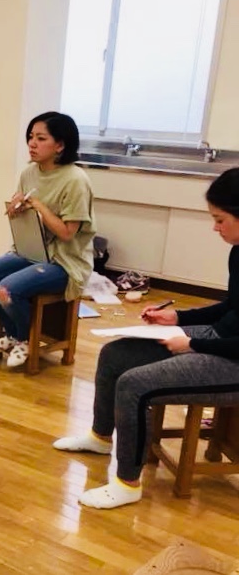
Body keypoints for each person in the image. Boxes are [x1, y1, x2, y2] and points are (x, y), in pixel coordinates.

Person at [54, 167, 239, 509]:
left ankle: (127, 483)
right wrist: (178, 318)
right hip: (219, 339)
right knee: (115, 355)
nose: (215, 228)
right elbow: (232, 308)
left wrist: (192, 344)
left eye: (220, 220)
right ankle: (100, 437)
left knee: (134, 384)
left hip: (232, 359)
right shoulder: (238, 250)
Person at [0, 111, 95, 368]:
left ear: (60, 145)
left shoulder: (76, 180)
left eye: (41, 138)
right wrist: (17, 209)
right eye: (30, 137)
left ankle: (24, 339)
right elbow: (26, 216)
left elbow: (67, 233)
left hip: (65, 261)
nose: (32, 144)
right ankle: (14, 334)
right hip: (31, 251)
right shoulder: (29, 173)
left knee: (6, 289)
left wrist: (38, 206)